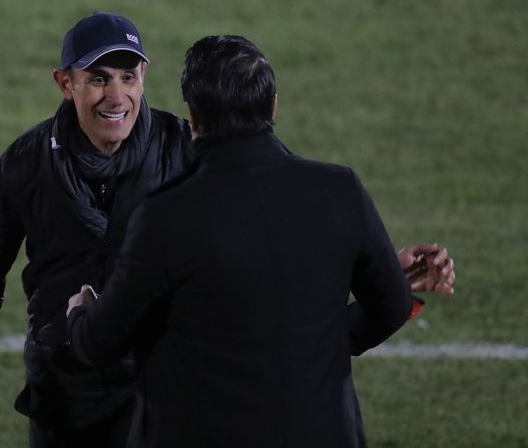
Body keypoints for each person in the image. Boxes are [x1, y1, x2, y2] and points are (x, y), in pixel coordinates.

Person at [0, 14, 455, 445]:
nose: (116, 96)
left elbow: (268, 229)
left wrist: (378, 270)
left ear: (150, 82)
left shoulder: (187, 154)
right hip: (67, 395)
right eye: (98, 79)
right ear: (65, 84)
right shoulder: (25, 163)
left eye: (129, 77)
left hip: (161, 393)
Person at [66, 35, 451, 448]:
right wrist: (320, 337)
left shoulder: (165, 216)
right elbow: (392, 307)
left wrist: (81, 311)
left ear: (192, 117)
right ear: (273, 108)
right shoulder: (340, 191)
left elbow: (99, 345)